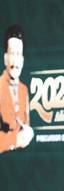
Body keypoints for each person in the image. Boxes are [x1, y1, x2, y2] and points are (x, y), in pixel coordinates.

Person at [0, 24, 33, 153]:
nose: (15, 61)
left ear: (23, 60)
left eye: (18, 54)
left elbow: (25, 125)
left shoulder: (24, 90)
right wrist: (16, 140)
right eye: (12, 53)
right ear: (5, 58)